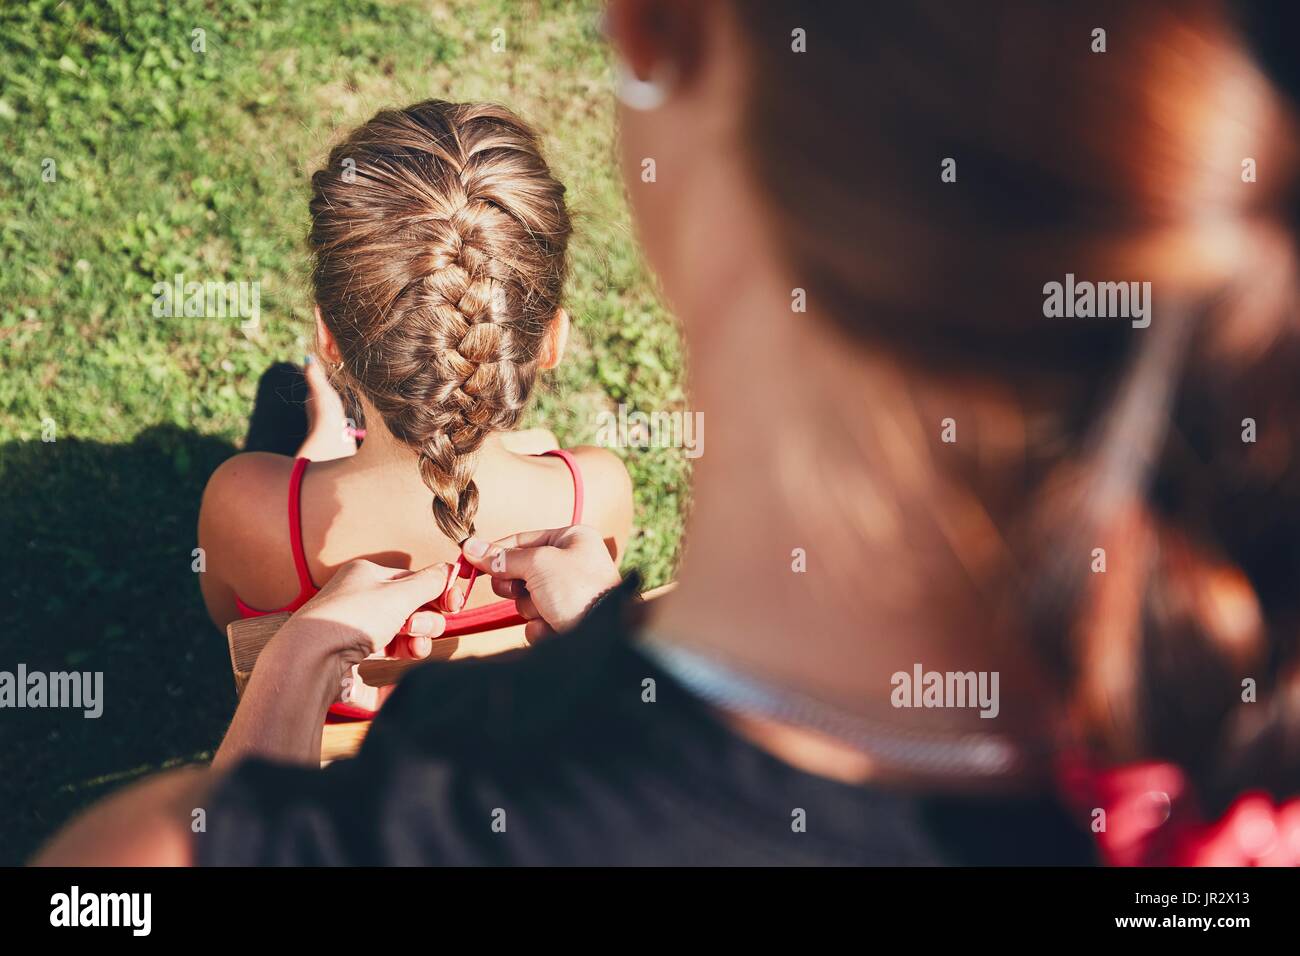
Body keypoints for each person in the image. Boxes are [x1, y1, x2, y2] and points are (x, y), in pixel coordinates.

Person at [37, 0, 1300, 865]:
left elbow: (211, 644)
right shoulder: (1213, 791)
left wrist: (300, 651)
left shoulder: (178, 843)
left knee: (288, 444)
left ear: (663, 31)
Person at [195, 100, 634, 716]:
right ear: (552, 339)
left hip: (331, 730)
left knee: (280, 389)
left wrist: (311, 465)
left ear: (329, 338)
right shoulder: (596, 493)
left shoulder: (246, 505)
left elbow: (226, 621)